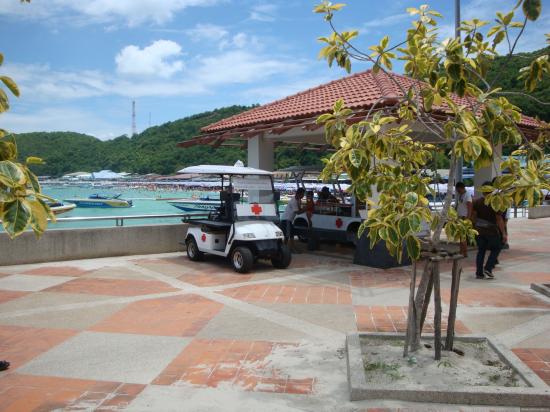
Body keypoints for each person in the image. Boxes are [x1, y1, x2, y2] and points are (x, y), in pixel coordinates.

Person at [471, 182, 507, 279]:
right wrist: (504, 233)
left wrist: (474, 228)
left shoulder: (476, 202)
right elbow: (499, 219)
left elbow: (473, 216)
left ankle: (479, 273)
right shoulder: (494, 202)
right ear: (492, 190)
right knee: (496, 248)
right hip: (491, 231)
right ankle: (488, 267)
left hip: (479, 230)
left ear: (483, 191)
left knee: (481, 251)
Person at [454, 181, 473, 257]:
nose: (458, 192)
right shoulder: (460, 195)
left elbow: (470, 207)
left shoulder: (467, 195)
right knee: (461, 236)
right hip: (459, 218)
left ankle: (464, 253)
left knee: (463, 236)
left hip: (464, 218)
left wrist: (468, 219)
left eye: (458, 190)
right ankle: (461, 251)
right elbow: (458, 206)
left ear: (462, 188)